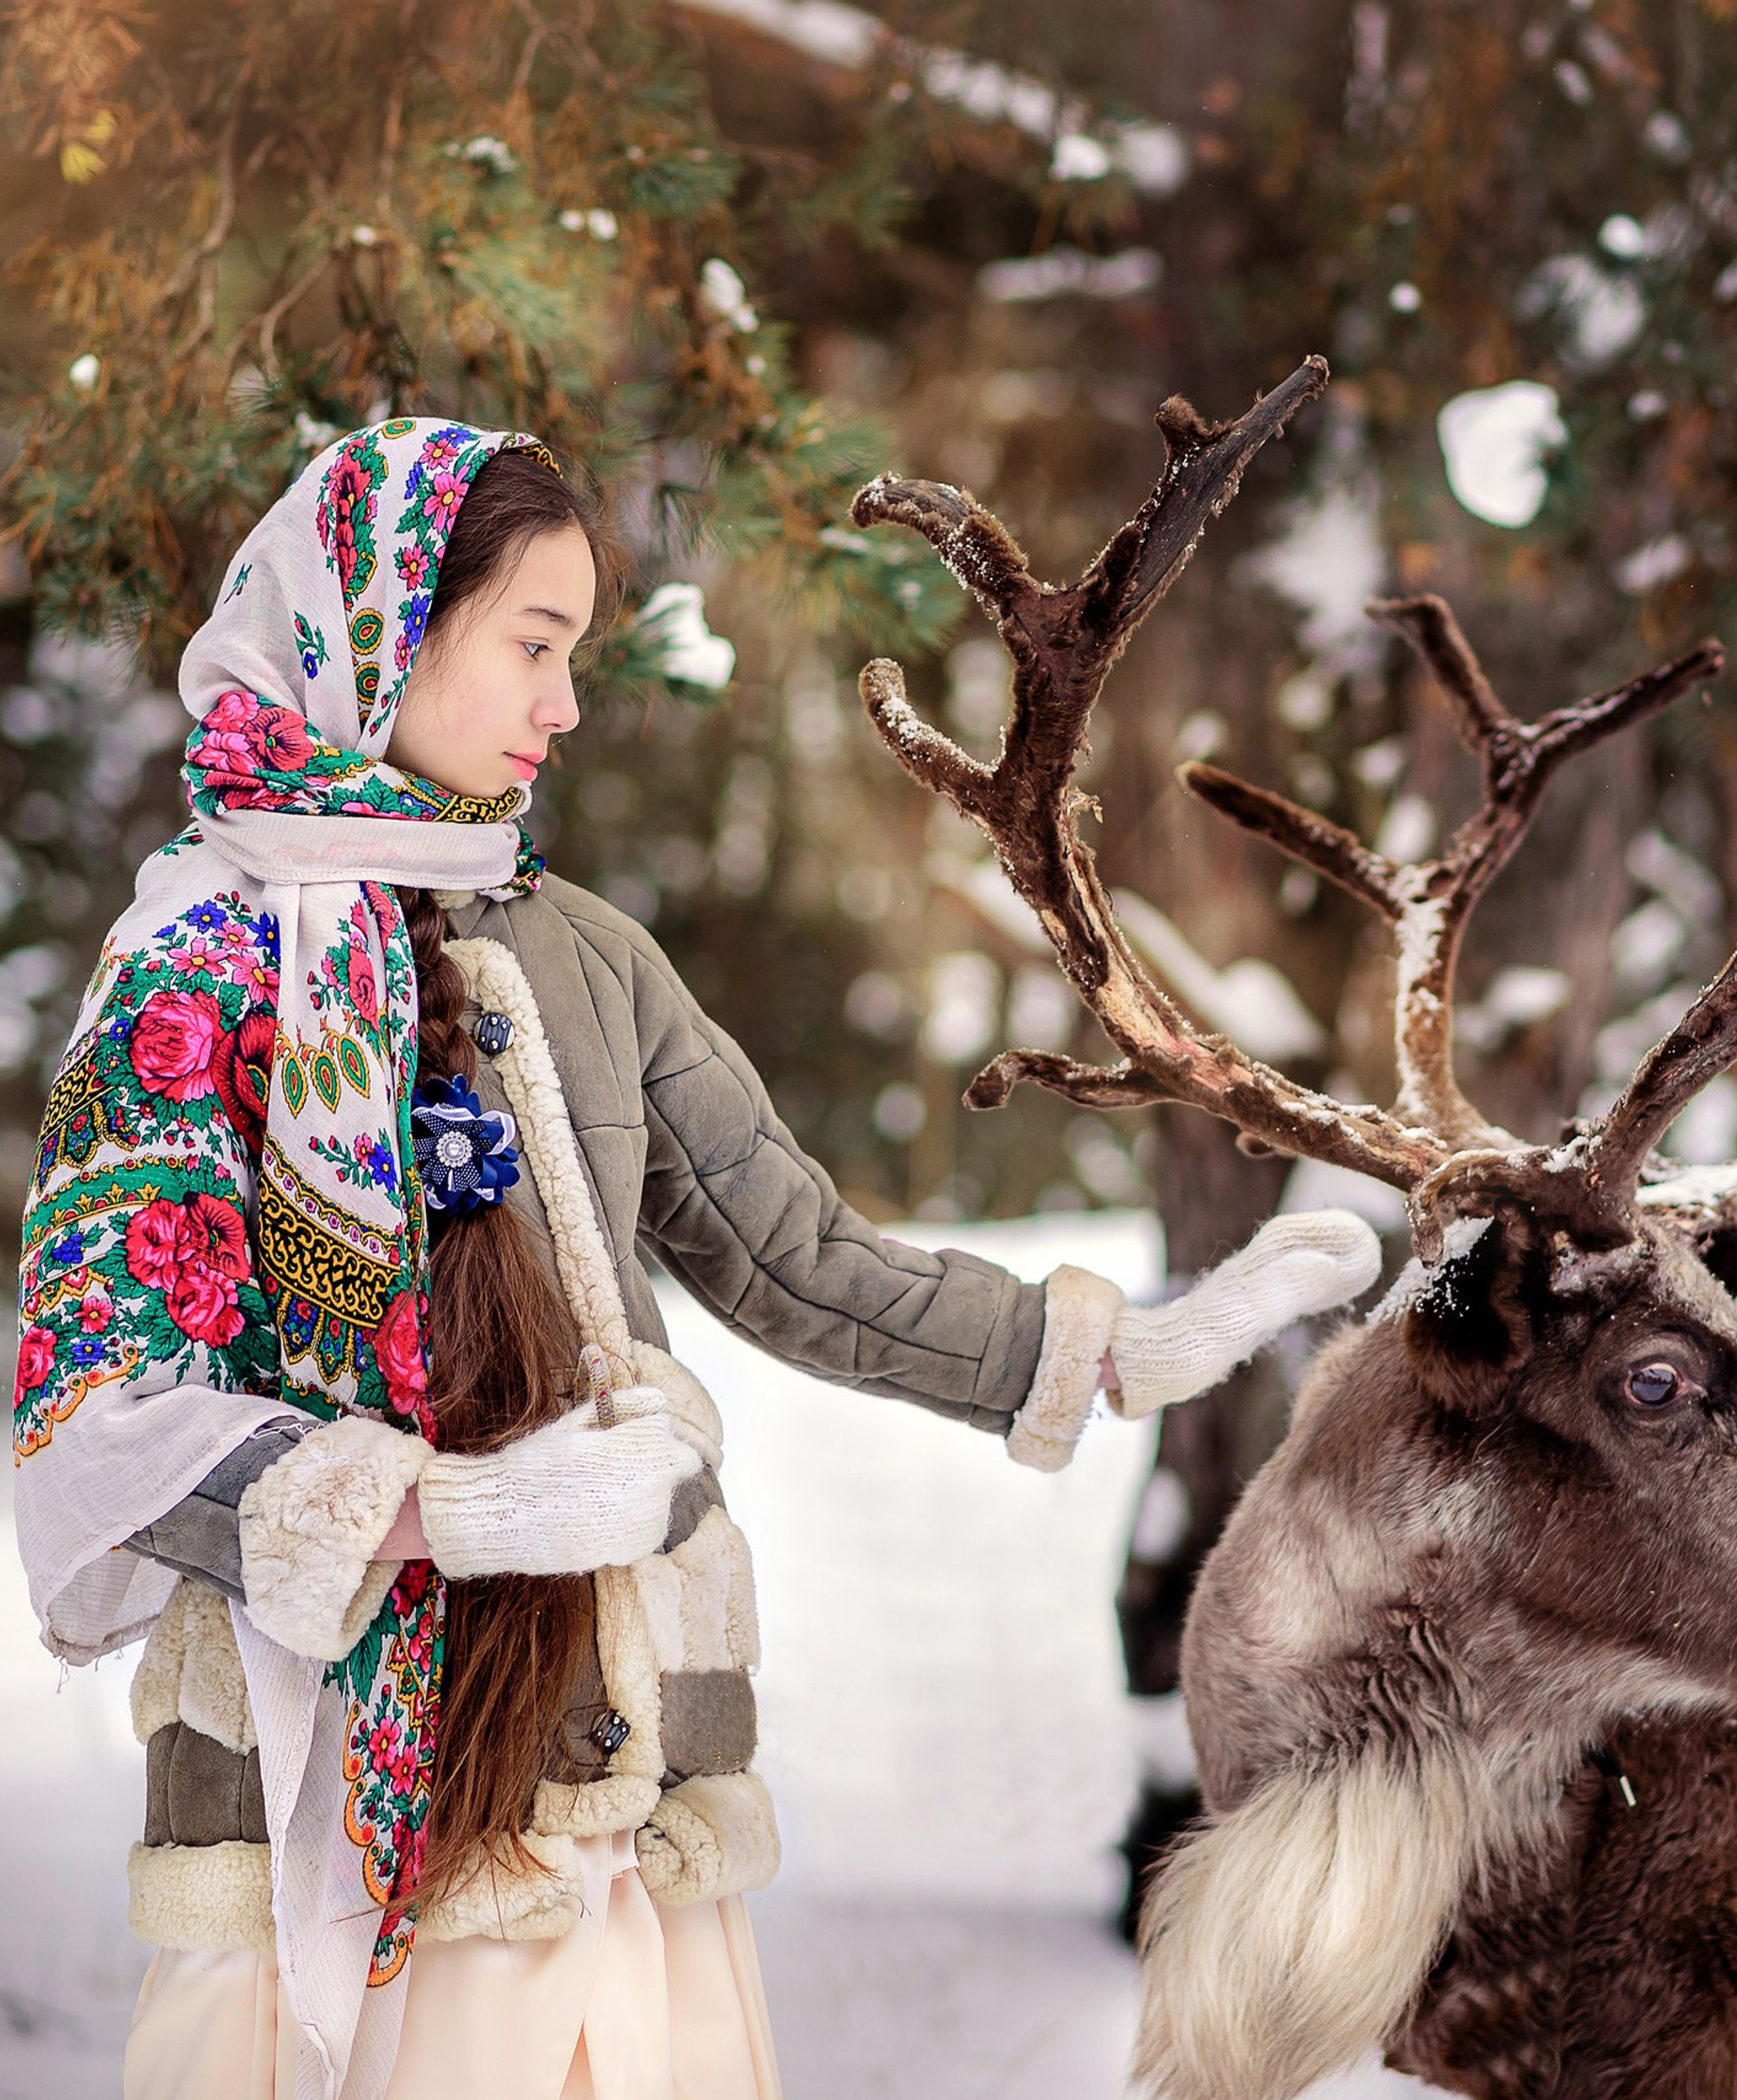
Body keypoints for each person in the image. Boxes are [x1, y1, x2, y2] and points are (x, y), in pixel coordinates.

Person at [11, 418, 1378, 2100]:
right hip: (327, 1827)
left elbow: (794, 1254)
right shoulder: (191, 967)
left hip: (610, 1788)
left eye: (573, 653)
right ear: (383, 628)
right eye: (532, 645)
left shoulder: (582, 953)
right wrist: (450, 1509)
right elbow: (95, 1402)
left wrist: (1097, 1346)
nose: (565, 706)